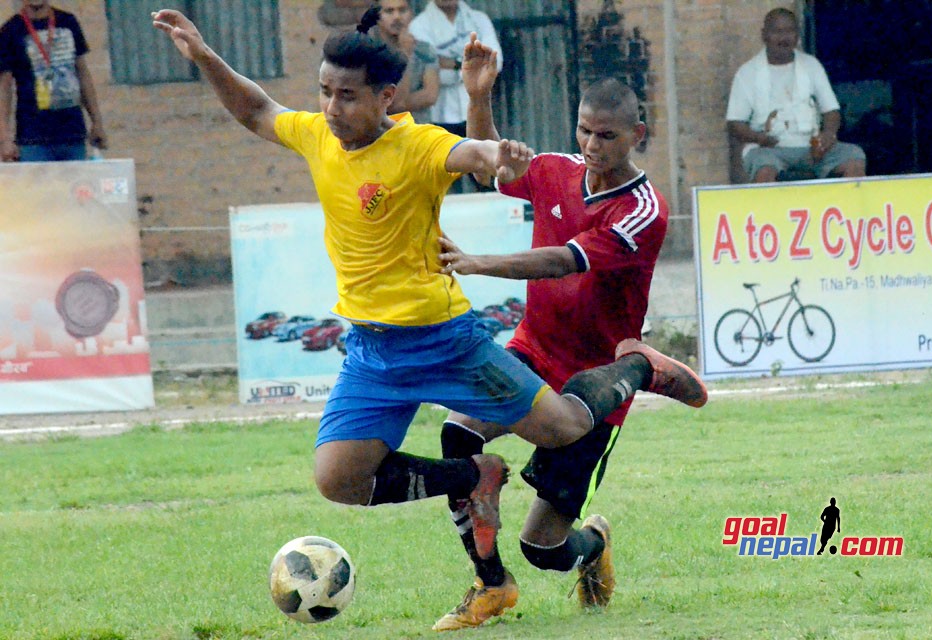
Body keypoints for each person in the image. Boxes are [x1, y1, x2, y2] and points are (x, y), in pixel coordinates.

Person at [151, 5, 707, 611]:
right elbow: (258, 109)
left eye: (347, 96)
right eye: (325, 93)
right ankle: (487, 552)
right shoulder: (317, 135)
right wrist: (205, 56)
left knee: (559, 467)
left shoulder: (417, 145)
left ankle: (638, 370)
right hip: (372, 351)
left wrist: (495, 157)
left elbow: (475, 160)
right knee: (339, 479)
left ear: (385, 96)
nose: (332, 108)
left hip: (449, 344)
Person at [429, 35, 682, 631]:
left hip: (593, 388)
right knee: (456, 433)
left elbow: (563, 260)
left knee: (543, 548)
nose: (592, 146)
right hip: (532, 354)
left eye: (608, 136)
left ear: (636, 136)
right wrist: (479, 97)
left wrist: (481, 262)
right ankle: (489, 584)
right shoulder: (557, 171)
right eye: (585, 131)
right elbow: (492, 164)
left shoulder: (645, 210)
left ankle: (592, 544)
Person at [726, 8, 865, 183]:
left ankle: (846, 209)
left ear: (797, 34)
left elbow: (831, 110)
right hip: (768, 149)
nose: (784, 38)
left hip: (811, 147)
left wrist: (827, 136)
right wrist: (759, 138)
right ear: (764, 35)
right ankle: (770, 211)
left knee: (854, 157)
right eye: (777, 32)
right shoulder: (747, 73)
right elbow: (735, 123)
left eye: (789, 31)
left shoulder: (811, 65)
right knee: (764, 169)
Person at [0, 1, 107, 162]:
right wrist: (4, 138)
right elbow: (4, 88)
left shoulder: (68, 22)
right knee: (37, 188)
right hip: (32, 138)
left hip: (72, 133)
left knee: (75, 186)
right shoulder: (10, 30)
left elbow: (82, 74)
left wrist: (97, 122)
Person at [409, 0, 501, 137]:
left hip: (478, 115)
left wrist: (447, 63)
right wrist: (470, 68)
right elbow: (430, 74)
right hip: (437, 117)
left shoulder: (479, 20)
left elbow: (496, 63)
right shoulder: (418, 26)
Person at [375, 0, 439, 124]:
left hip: (419, 131)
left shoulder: (424, 50)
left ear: (411, 14)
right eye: (389, 11)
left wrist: (397, 104)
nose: (397, 17)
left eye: (402, 10)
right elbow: (392, 103)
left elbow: (431, 95)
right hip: (384, 132)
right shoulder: (369, 51)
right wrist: (405, 55)